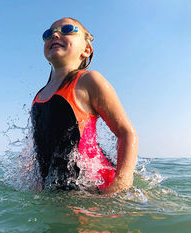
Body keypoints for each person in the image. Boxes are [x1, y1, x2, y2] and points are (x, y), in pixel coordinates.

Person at [30, 18, 138, 194]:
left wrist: (120, 184)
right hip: (59, 193)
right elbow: (39, 147)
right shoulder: (39, 97)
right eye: (48, 34)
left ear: (86, 50)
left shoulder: (88, 81)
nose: (55, 35)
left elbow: (126, 133)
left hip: (96, 189)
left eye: (67, 30)